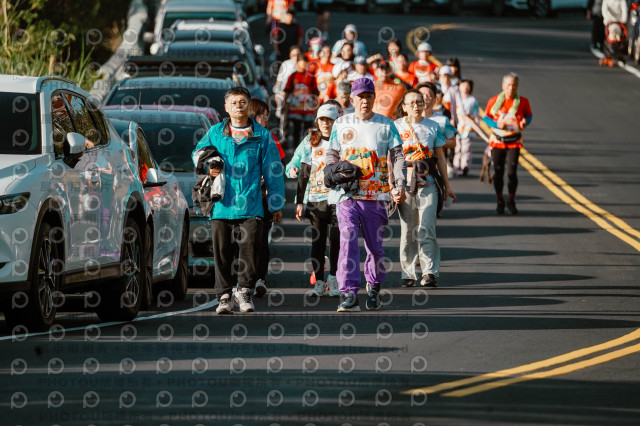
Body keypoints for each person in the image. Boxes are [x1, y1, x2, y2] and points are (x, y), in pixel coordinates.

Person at [192, 87, 285, 314]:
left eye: (242, 102)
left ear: (248, 105)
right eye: (233, 103)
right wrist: (209, 166)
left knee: (250, 251)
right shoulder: (215, 132)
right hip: (222, 204)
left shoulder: (262, 135)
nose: (238, 106)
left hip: (251, 203)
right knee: (222, 253)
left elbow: (273, 171)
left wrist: (275, 204)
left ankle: (244, 291)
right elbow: (197, 154)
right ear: (226, 107)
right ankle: (224, 296)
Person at [325, 78, 406, 312]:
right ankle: (349, 293)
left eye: (368, 96)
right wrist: (333, 171)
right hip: (347, 195)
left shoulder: (386, 124)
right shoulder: (341, 123)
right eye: (360, 97)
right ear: (352, 99)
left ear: (374, 98)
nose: (364, 101)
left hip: (376, 196)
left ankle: (374, 286)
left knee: (375, 248)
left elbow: (398, 156)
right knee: (347, 240)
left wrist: (399, 183)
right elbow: (331, 153)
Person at [394, 89, 455, 288]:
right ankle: (408, 272)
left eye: (419, 102)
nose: (416, 105)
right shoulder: (396, 126)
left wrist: (447, 185)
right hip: (405, 183)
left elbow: (440, 157)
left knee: (427, 227)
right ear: (404, 107)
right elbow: (390, 158)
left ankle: (429, 272)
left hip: (428, 182)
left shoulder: (433, 126)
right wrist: (391, 185)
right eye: (411, 102)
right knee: (408, 230)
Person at [296, 104, 342, 297]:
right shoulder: (311, 141)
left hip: (338, 198)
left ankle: (334, 278)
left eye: (330, 120)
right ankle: (319, 282)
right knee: (318, 242)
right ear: (317, 121)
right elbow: (304, 173)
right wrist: (300, 201)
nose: (326, 123)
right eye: (322, 119)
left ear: (336, 121)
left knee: (337, 241)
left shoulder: (342, 140)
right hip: (316, 199)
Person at [248, 99, 285, 297]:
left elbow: (279, 167)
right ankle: (245, 279)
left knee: (262, 240)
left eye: (267, 115)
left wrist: (276, 202)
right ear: (253, 115)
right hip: (243, 199)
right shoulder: (238, 136)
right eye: (263, 115)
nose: (266, 118)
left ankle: (260, 279)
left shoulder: (270, 138)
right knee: (246, 242)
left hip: (263, 199)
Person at [483, 73, 532, 215]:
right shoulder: (494, 101)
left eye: (514, 85)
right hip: (498, 141)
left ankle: (511, 199)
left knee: (511, 172)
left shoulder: (523, 101)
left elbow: (529, 115)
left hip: (514, 142)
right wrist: (496, 124)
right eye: (509, 85)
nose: (511, 88)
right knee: (498, 172)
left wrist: (525, 122)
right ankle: (500, 200)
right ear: (503, 86)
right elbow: (486, 118)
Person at [282, 54, 320, 147]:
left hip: (308, 107)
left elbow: (315, 92)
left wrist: (316, 107)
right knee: (296, 129)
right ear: (297, 63)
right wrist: (285, 105)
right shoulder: (292, 76)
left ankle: (307, 147)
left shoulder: (311, 76)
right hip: (295, 107)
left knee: (308, 129)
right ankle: (296, 148)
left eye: (306, 63)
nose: (304, 65)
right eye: (302, 63)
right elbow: (287, 91)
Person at [453, 79, 480, 177]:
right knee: (457, 147)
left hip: (468, 127)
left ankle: (465, 166)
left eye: (467, 86)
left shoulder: (473, 100)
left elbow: (476, 115)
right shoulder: (455, 99)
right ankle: (457, 166)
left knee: (466, 147)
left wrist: (477, 126)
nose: (465, 87)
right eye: (463, 85)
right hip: (457, 126)